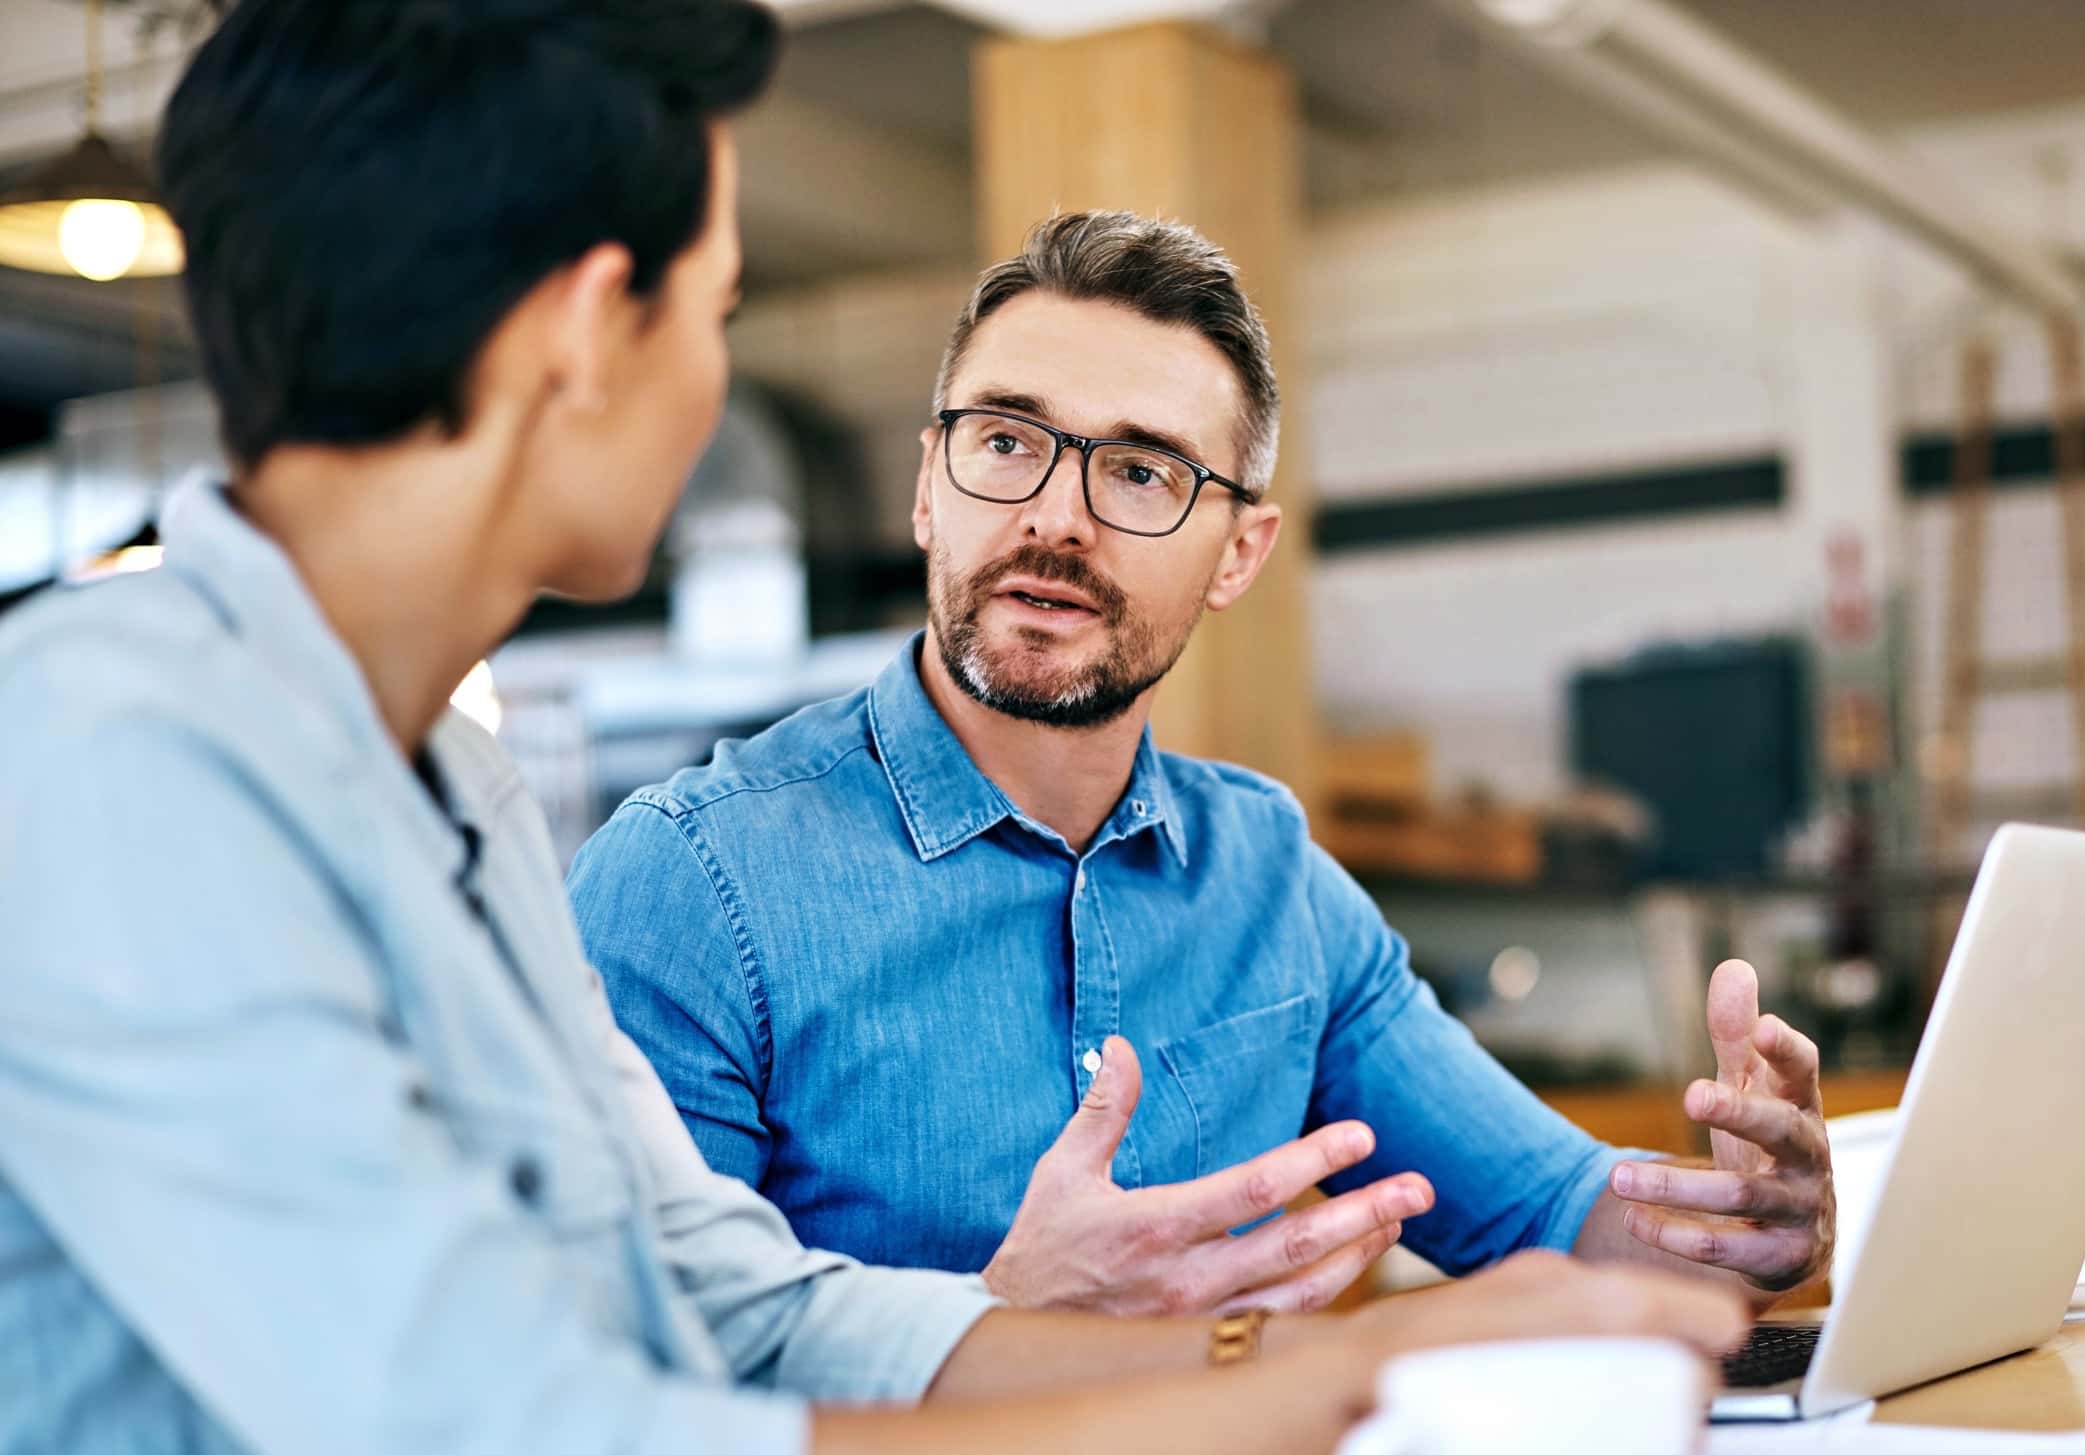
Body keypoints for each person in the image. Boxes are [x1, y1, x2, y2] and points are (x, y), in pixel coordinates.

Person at [0, 6, 1750, 1455]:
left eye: (1140, 471)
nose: (713, 384)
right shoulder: (103, 760)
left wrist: (1327, 1352)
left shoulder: (440, 780)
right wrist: (1358, 1389)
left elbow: (740, 1310)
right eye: (719, 305)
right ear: (584, 333)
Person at [568, 209, 1838, 1319]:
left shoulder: (1271, 878)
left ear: (1238, 553)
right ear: (925, 488)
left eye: (1139, 471)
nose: (1054, 517)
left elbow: (1558, 1216)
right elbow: (620, 1387)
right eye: (1006, 441)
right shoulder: (690, 882)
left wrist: (1744, 1231)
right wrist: (999, 1315)